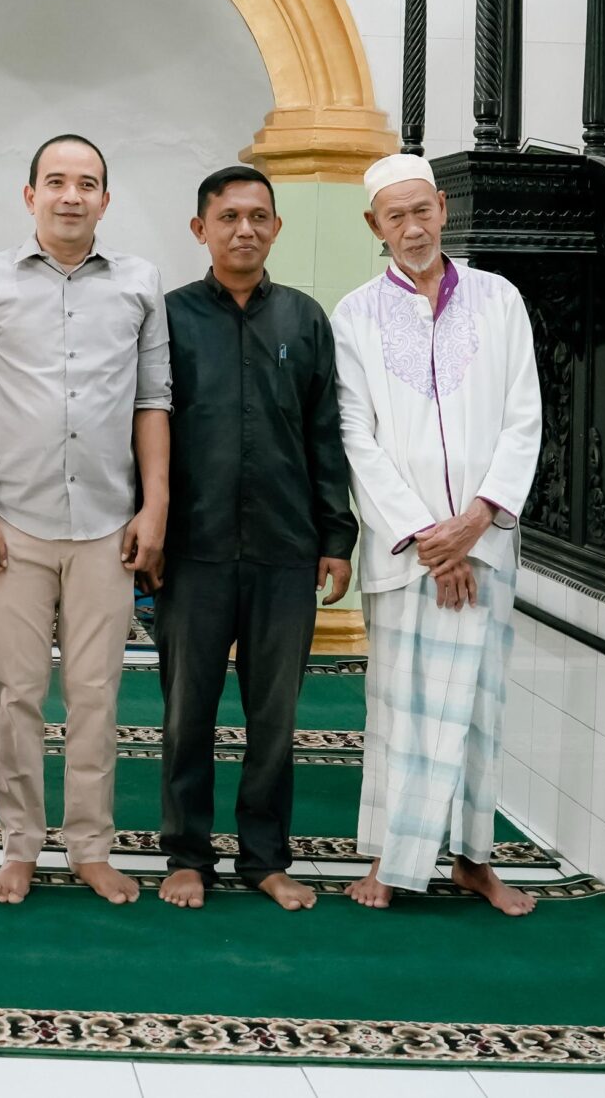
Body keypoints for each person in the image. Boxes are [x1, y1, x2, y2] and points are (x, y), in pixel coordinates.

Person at [0, 133, 171, 906]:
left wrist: (155, 505)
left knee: (96, 693)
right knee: (15, 693)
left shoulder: (141, 285)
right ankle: (19, 846)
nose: (71, 195)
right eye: (56, 181)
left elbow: (152, 402)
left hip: (108, 525)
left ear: (106, 199)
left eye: (87, 183)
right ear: (29, 195)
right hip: (14, 525)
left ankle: (89, 846)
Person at [330, 152, 542, 915]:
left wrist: (477, 521)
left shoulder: (500, 300)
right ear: (374, 225)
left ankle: (474, 861)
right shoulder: (352, 315)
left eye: (423, 211)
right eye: (396, 216)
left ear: (443, 210)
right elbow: (357, 437)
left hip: (486, 542)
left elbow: (525, 418)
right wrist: (428, 536)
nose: (413, 227)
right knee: (402, 708)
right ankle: (394, 859)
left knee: (479, 708)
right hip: (407, 549)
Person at [156, 166, 357, 912]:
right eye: (229, 216)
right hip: (192, 551)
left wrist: (336, 535)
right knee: (187, 711)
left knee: (275, 718)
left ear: (276, 227)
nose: (245, 229)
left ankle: (266, 858)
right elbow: (146, 431)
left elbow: (324, 434)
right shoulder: (169, 317)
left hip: (285, 549)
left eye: (259, 217)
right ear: (199, 228)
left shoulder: (303, 320)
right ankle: (186, 854)